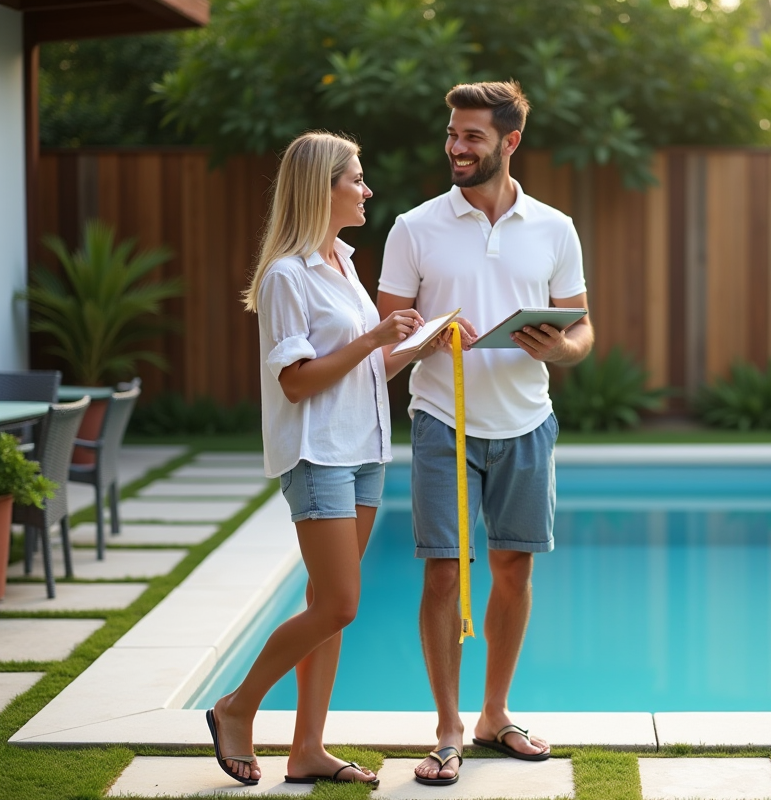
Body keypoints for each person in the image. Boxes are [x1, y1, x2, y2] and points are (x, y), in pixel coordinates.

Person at [378, 81, 594, 786]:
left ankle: (494, 715)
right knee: (444, 571)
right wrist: (427, 338)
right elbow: (384, 342)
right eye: (452, 134)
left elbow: (581, 328)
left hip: (528, 421)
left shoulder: (555, 228)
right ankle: (448, 729)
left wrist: (560, 349)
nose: (456, 147)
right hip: (444, 421)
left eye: (471, 136)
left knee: (514, 569)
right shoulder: (414, 227)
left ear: (510, 141)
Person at [206, 131, 423, 788]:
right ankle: (236, 707)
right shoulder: (286, 276)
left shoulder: (343, 264)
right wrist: (374, 337)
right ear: (321, 188)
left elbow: (363, 368)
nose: (367, 190)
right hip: (318, 455)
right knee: (339, 605)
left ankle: (307, 750)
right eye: (355, 179)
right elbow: (297, 381)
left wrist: (418, 348)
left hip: (364, 452)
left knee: (325, 601)